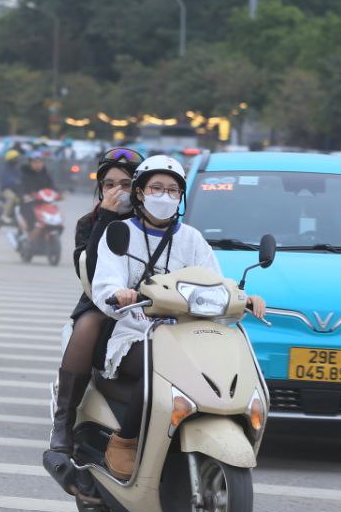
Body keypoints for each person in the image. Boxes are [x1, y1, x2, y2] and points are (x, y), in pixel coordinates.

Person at [89, 155, 266, 480]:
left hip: (188, 334)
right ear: (140, 193)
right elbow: (105, 284)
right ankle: (125, 441)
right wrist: (120, 293)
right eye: (156, 187)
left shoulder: (192, 239)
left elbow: (215, 282)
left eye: (172, 190)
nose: (164, 196)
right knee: (157, 368)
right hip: (137, 332)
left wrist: (242, 298)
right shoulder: (120, 233)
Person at [45, 148, 144, 466]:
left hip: (153, 304)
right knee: (88, 323)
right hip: (102, 299)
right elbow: (87, 269)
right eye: (110, 184)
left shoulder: (155, 222)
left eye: (126, 184)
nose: (118, 191)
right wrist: (106, 217)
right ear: (100, 189)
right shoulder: (89, 223)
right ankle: (63, 423)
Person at [14, 152, 55, 239]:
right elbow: (19, 187)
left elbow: (52, 186)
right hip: (28, 202)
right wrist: (24, 195)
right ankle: (28, 233)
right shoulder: (24, 173)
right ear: (30, 163)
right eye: (35, 162)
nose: (38, 164)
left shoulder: (45, 174)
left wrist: (59, 193)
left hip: (43, 201)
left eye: (40, 162)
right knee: (30, 215)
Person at [0, 149, 23, 224]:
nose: (18, 159)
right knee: (12, 197)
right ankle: (4, 215)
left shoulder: (15, 167)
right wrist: (15, 181)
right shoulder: (6, 168)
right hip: (6, 189)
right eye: (16, 158)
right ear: (11, 159)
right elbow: (6, 179)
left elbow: (20, 176)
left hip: (15, 189)